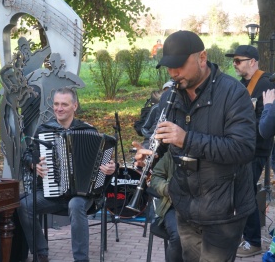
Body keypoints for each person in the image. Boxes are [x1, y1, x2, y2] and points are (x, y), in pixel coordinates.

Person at [133, 30, 256, 261]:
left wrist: (187, 139)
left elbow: (243, 148)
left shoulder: (233, 93)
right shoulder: (173, 95)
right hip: (186, 204)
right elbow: (164, 143)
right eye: (169, 67)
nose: (173, 73)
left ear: (202, 58)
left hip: (224, 209)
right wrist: (150, 154)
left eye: (179, 65)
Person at [17, 87, 116, 262]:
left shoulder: (89, 131)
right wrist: (33, 165)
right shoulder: (44, 130)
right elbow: (27, 155)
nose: (59, 108)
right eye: (56, 104)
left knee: (75, 205)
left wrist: (109, 169)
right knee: (24, 205)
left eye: (64, 104)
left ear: (74, 106)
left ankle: (80, 259)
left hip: (82, 197)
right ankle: (40, 253)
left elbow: (104, 167)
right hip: (52, 195)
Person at [225, 45, 274, 257]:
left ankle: (253, 241)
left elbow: (266, 124)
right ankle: (244, 236)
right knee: (241, 191)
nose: (235, 64)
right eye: (234, 61)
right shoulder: (242, 84)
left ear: (252, 61)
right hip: (240, 148)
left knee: (246, 192)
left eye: (238, 61)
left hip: (255, 149)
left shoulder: (264, 84)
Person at [150, 151, 183, 262]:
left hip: (205, 207)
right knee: (179, 236)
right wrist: (168, 189)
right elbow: (156, 176)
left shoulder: (210, 149)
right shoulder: (172, 153)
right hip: (173, 206)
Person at [134, 81, 173, 147]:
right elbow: (144, 128)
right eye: (166, 91)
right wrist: (153, 137)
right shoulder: (156, 107)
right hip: (156, 142)